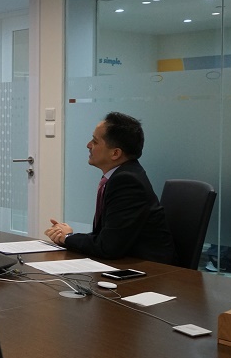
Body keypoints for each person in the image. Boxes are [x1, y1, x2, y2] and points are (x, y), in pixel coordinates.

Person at [45, 112, 175, 264]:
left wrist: (66, 238)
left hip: (151, 270)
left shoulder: (127, 181)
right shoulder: (119, 175)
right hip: (127, 261)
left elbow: (107, 247)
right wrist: (69, 236)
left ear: (115, 153)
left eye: (95, 141)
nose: (88, 145)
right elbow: (106, 238)